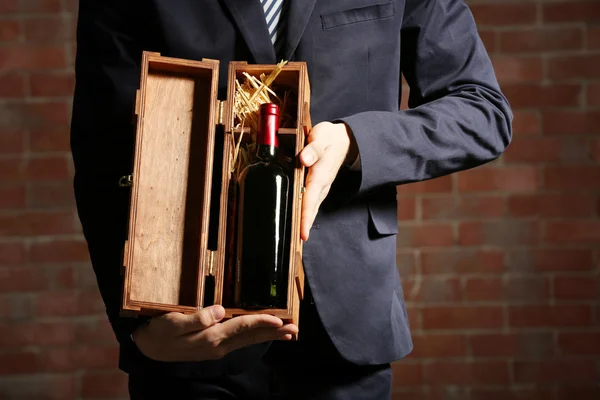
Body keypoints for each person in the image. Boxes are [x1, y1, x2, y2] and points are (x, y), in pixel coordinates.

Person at [70, 0, 513, 398]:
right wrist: (136, 327)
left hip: (346, 332)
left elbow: (482, 110)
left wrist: (355, 142)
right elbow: (102, 157)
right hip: (193, 326)